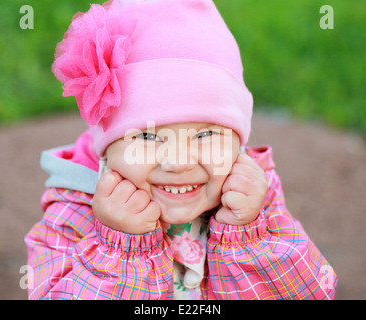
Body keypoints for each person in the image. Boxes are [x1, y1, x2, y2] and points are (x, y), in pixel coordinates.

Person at [25, 0, 337, 300]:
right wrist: (119, 248)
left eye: (206, 134)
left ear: (237, 139)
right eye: (147, 136)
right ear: (107, 148)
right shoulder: (76, 208)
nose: (178, 162)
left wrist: (247, 236)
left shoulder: (253, 194)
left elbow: (311, 291)